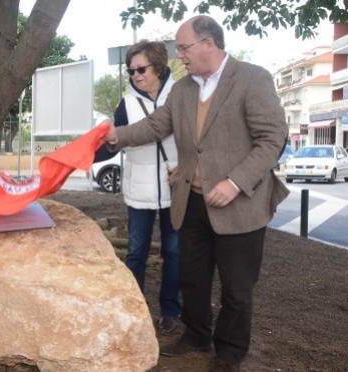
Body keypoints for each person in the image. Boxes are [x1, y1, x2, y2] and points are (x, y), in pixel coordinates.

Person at [104, 15, 289, 372]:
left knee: (236, 288)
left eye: (184, 48)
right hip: (190, 201)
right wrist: (117, 136)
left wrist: (234, 182)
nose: (180, 56)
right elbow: (158, 125)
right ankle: (196, 334)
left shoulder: (252, 78)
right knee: (192, 276)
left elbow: (272, 140)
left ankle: (230, 351)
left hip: (240, 204)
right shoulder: (184, 89)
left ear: (209, 44)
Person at [112, 40, 181, 334]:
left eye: (141, 69)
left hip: (174, 186)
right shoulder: (126, 104)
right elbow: (112, 143)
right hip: (138, 190)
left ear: (159, 66)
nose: (136, 75)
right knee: (136, 252)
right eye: (131, 71)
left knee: (174, 252)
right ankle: (135, 307)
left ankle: (169, 310)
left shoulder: (181, 95)